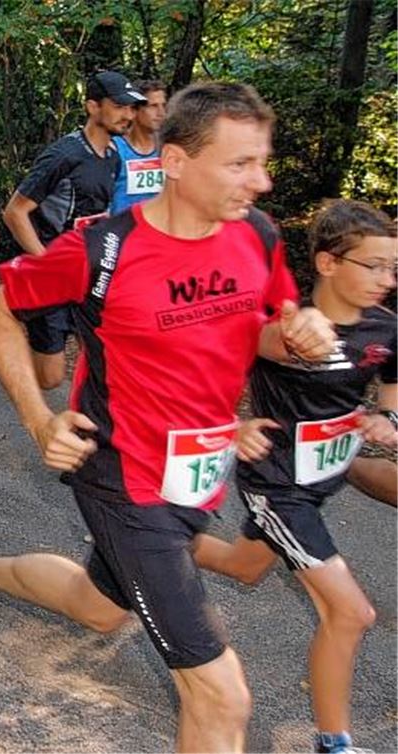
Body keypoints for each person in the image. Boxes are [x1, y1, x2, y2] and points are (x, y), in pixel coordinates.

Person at [0, 82, 337, 753]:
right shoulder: (103, 250)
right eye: (240, 164)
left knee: (99, 605)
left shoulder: (257, 238)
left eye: (262, 162)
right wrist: (40, 421)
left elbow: (265, 327)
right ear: (175, 161)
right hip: (123, 479)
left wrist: (300, 333)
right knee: (220, 692)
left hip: (197, 477)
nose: (260, 183)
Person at [191, 199, 396, 754]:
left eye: (392, 268)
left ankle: (154, 545)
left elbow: (391, 388)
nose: (387, 279)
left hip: (319, 483)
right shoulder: (285, 330)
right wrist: (230, 424)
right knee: (351, 612)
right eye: (373, 266)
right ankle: (334, 743)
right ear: (328, 263)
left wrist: (387, 419)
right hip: (277, 486)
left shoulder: (385, 328)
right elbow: (199, 368)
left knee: (243, 565)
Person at [0, 70, 141, 380]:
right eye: (120, 106)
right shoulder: (63, 155)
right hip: (50, 270)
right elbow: (15, 212)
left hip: (85, 273)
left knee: (104, 357)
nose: (128, 115)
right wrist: (47, 263)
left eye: (132, 107)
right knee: (50, 378)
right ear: (93, 107)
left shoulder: (112, 155)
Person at [110, 79, 167, 215]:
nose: (161, 113)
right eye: (153, 106)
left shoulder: (169, 149)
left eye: (163, 105)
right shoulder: (114, 149)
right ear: (134, 111)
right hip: (122, 231)